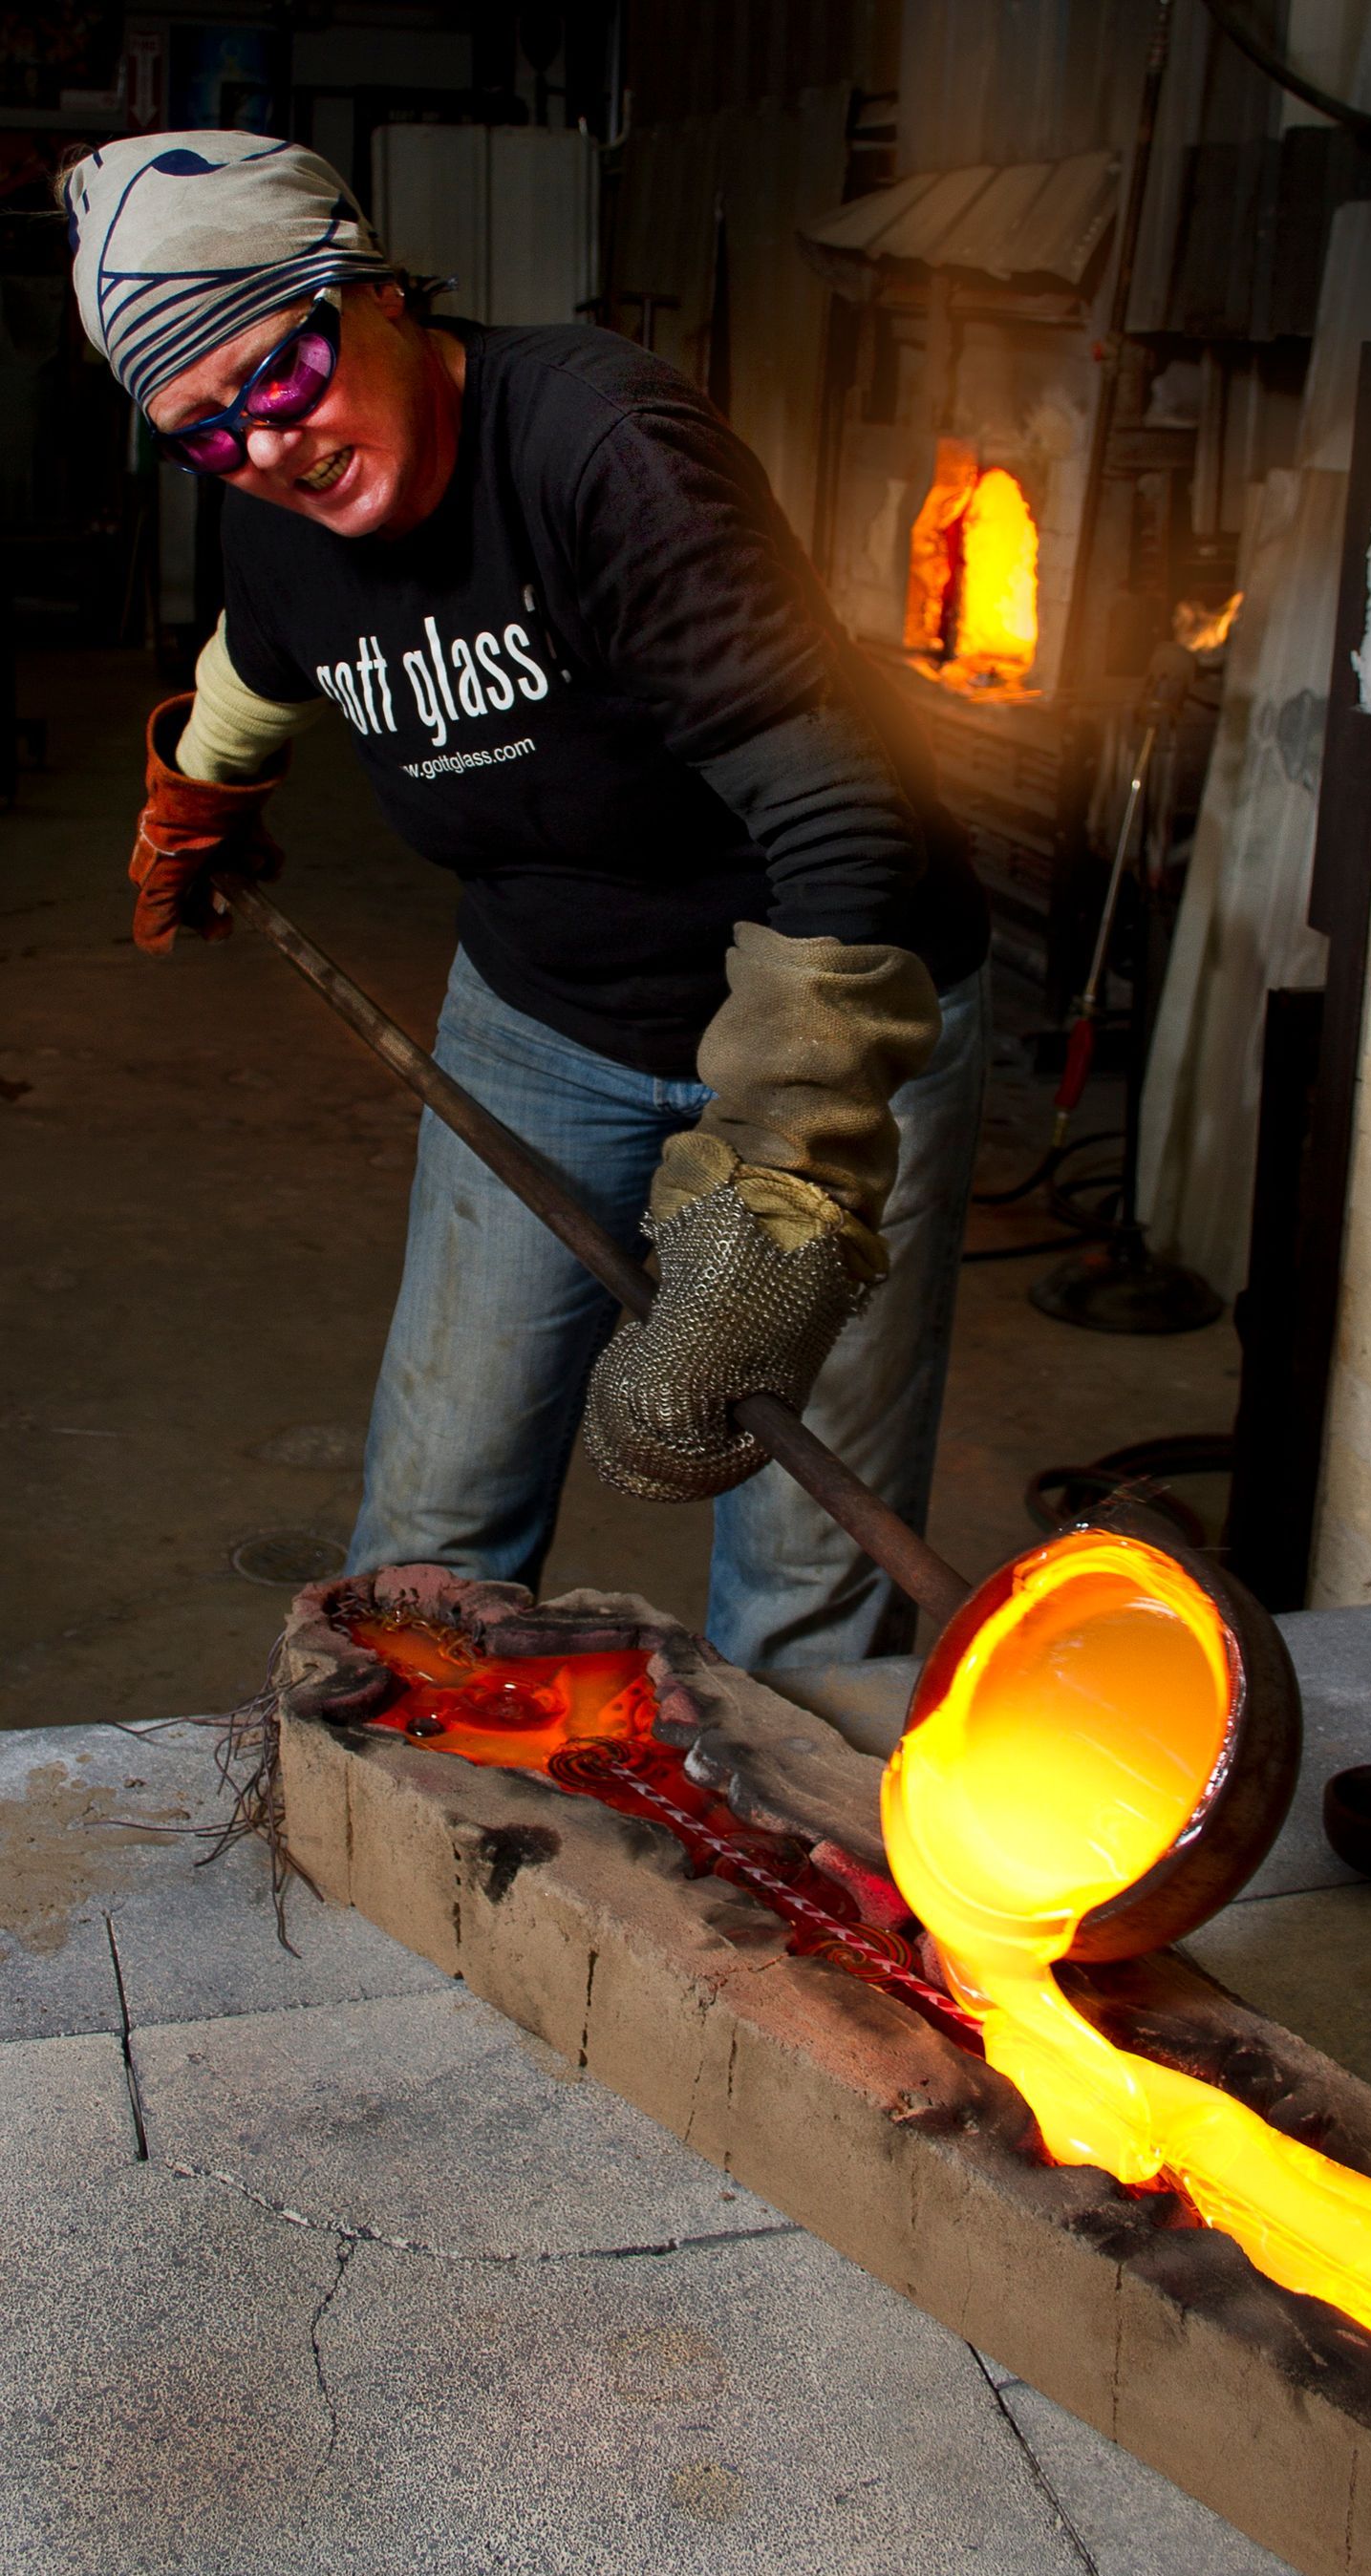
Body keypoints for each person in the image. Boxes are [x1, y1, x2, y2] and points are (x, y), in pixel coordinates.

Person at [64, 131, 989, 1669]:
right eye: (204, 433)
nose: (268, 447)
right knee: (432, 1533)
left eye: (281, 376)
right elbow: (254, 659)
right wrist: (200, 801)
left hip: (832, 988)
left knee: (809, 1570)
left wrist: (789, 1174)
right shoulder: (274, 521)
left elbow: (837, 820)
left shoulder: (600, 449)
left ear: (375, 291)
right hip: (544, 1017)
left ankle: (794, 1815)